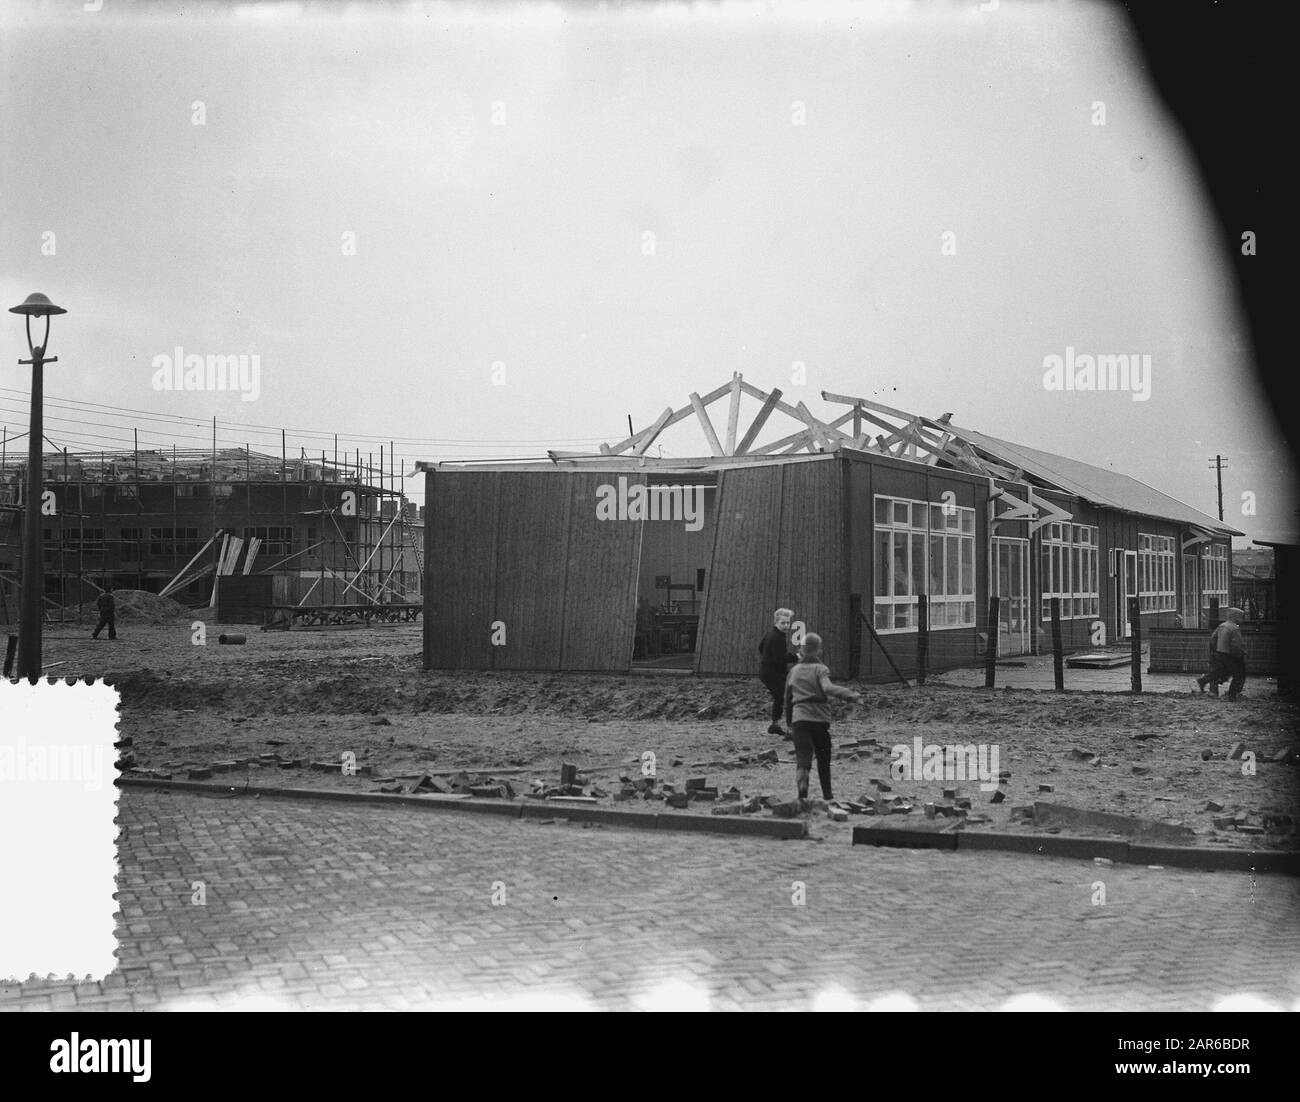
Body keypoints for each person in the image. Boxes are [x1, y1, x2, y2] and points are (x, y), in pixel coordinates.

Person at [784, 632, 861, 806]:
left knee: (803, 758)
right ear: (818, 651)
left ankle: (802, 794)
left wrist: (789, 723)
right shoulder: (821, 669)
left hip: (799, 719)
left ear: (802, 650)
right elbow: (827, 687)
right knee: (823, 757)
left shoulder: (793, 671)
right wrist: (849, 695)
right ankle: (827, 795)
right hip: (819, 719)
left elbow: (787, 699)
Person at [758, 607, 798, 737]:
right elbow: (780, 658)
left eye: (788, 622)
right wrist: (796, 657)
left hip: (767, 672)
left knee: (779, 697)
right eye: (783, 623)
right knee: (789, 697)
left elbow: (760, 646)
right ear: (777, 622)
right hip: (773, 673)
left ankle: (775, 725)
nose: (786, 625)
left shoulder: (770, 632)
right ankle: (791, 731)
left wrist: (766, 658)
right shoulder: (778, 637)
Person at [1195, 607, 1246, 700]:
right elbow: (1237, 645)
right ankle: (1232, 694)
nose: (1242, 619)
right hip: (1231, 655)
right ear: (1235, 617)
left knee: (1219, 672)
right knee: (1239, 674)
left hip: (1220, 653)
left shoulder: (1222, 625)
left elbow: (1213, 638)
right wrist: (1241, 653)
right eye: (1241, 617)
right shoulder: (1234, 628)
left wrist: (1215, 650)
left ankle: (1203, 680)